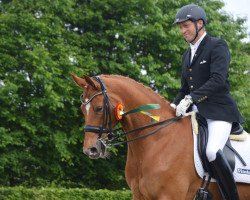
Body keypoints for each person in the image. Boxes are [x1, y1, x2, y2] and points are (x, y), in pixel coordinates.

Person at [171, 4, 244, 200]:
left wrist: (191, 99)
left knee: (212, 150)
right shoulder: (187, 55)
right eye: (180, 27)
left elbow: (218, 80)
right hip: (195, 114)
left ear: (199, 24)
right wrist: (171, 106)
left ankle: (231, 197)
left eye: (186, 26)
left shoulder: (217, 45)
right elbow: (184, 90)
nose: (182, 31)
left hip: (218, 112)